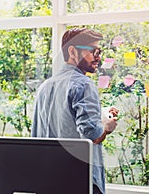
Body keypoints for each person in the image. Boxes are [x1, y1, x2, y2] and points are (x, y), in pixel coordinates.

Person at [31, 27, 119, 194]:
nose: (98, 57)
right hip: (80, 182)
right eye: (93, 51)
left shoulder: (45, 87)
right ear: (72, 51)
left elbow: (62, 121)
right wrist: (107, 127)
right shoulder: (84, 84)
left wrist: (100, 113)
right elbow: (92, 135)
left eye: (99, 51)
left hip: (49, 182)